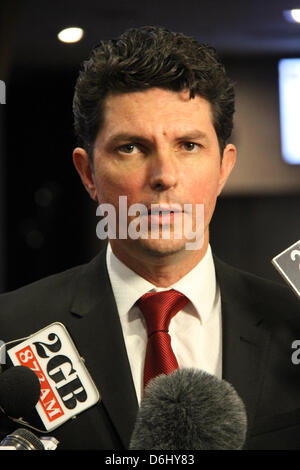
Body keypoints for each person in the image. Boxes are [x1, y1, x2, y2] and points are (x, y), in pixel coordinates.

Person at [0, 26, 299, 450]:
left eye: (189, 145)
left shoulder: (293, 325)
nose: (163, 176)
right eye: (131, 148)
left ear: (224, 167)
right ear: (87, 173)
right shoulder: (9, 331)